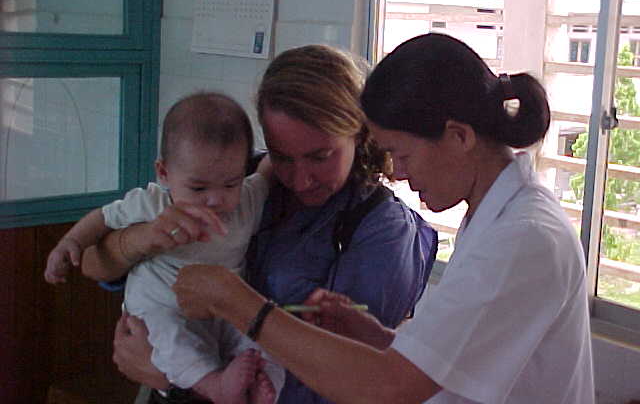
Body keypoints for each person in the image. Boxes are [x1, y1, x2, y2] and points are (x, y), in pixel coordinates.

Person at [171, 33, 596, 403]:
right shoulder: (495, 215)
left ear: (459, 136)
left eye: (403, 153)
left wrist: (236, 302)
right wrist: (374, 336)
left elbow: (390, 388)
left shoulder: (524, 237)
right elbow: (447, 364)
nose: (397, 171)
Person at [81, 44, 439, 403]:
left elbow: (346, 384)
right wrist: (144, 238)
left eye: (320, 157)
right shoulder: (234, 178)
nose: (300, 181)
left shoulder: (383, 233)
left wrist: (178, 380)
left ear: (359, 134)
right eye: (282, 156)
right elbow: (96, 265)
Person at [46, 92, 284, 404]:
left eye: (230, 184)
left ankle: (260, 387)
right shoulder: (152, 203)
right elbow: (103, 218)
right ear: (164, 173)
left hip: (223, 308)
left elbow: (269, 169)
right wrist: (70, 243)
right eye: (198, 188)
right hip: (160, 305)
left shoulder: (248, 201)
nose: (215, 199)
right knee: (168, 337)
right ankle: (213, 386)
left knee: (266, 338)